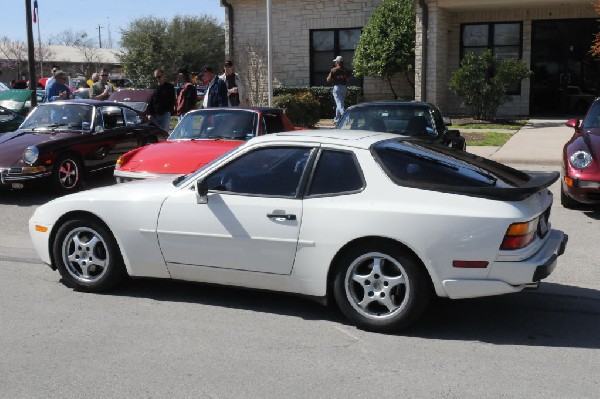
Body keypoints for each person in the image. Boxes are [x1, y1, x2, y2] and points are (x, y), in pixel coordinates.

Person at [327, 55, 349, 124]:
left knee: (339, 104)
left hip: (337, 88)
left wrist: (333, 77)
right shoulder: (345, 70)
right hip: (344, 88)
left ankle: (347, 118)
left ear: (337, 62)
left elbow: (328, 79)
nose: (335, 63)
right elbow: (347, 79)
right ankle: (336, 119)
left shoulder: (333, 70)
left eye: (336, 61)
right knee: (339, 104)